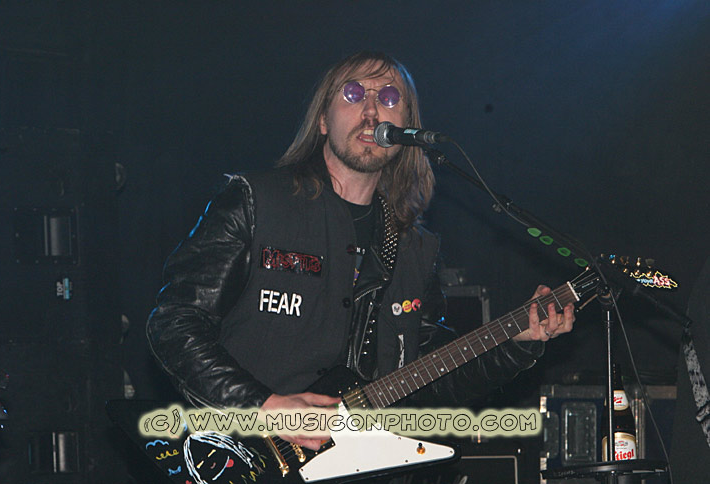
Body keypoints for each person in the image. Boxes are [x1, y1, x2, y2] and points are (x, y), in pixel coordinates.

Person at [146, 51, 575, 454]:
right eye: (353, 94)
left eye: (388, 98)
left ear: (407, 128)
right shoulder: (255, 201)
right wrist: (263, 406)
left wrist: (517, 342)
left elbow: (430, 378)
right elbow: (174, 322)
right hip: (241, 451)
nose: (371, 111)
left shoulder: (413, 247)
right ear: (322, 120)